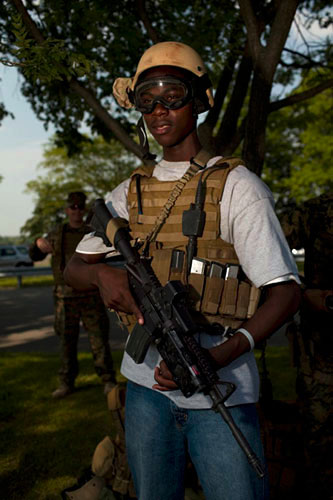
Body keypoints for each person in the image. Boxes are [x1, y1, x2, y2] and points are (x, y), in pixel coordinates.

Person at [64, 42, 301, 500]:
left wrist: (220, 355)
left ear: (199, 101)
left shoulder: (237, 186)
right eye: (146, 98)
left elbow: (285, 293)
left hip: (222, 390)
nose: (158, 109)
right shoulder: (128, 193)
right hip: (145, 389)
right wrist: (101, 276)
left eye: (172, 94)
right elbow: (75, 267)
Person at [29, 191, 116, 399]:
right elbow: (35, 254)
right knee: (66, 343)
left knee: (99, 341)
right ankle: (66, 382)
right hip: (65, 298)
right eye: (72, 207)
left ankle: (108, 380)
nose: (76, 211)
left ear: (84, 209)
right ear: (67, 210)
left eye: (80, 207)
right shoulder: (57, 233)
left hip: (91, 295)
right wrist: (38, 243)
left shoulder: (93, 233)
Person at [280, 192, 333, 500]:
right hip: (323, 363)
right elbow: (260, 244)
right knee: (320, 453)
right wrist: (300, 293)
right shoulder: (317, 211)